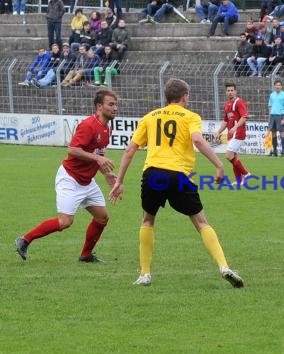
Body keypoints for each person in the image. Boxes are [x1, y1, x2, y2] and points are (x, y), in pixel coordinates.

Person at [108, 79, 243, 288]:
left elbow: (130, 150)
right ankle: (224, 266)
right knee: (201, 222)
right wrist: (219, 165)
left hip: (153, 173)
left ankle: (144, 274)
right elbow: (197, 140)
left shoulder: (150, 117)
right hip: (179, 174)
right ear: (185, 97)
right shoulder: (190, 116)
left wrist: (119, 181)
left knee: (147, 221)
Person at [15, 89, 119, 263]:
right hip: (70, 178)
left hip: (87, 181)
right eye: (111, 104)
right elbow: (72, 149)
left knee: (102, 217)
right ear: (99, 106)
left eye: (116, 104)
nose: (115, 108)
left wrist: (107, 175)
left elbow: (98, 154)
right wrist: (96, 158)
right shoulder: (88, 125)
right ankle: (24, 240)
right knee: (65, 222)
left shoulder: (108, 127)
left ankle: (86, 255)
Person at [214, 83, 251, 185]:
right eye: (228, 90)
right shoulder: (227, 104)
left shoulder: (239, 102)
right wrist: (218, 132)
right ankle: (239, 181)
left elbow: (244, 116)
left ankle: (246, 174)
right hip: (231, 134)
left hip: (238, 133)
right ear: (226, 92)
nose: (230, 92)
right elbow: (225, 121)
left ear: (235, 91)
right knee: (234, 157)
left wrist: (235, 127)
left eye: (232, 90)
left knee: (228, 155)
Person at [267, 79, 284, 157]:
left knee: (281, 133)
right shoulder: (272, 95)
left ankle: (283, 151)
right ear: (274, 86)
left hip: (280, 116)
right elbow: (270, 105)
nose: (278, 86)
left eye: (279, 85)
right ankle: (275, 150)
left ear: (281, 86)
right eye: (276, 85)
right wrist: (270, 115)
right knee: (273, 133)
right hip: (272, 116)